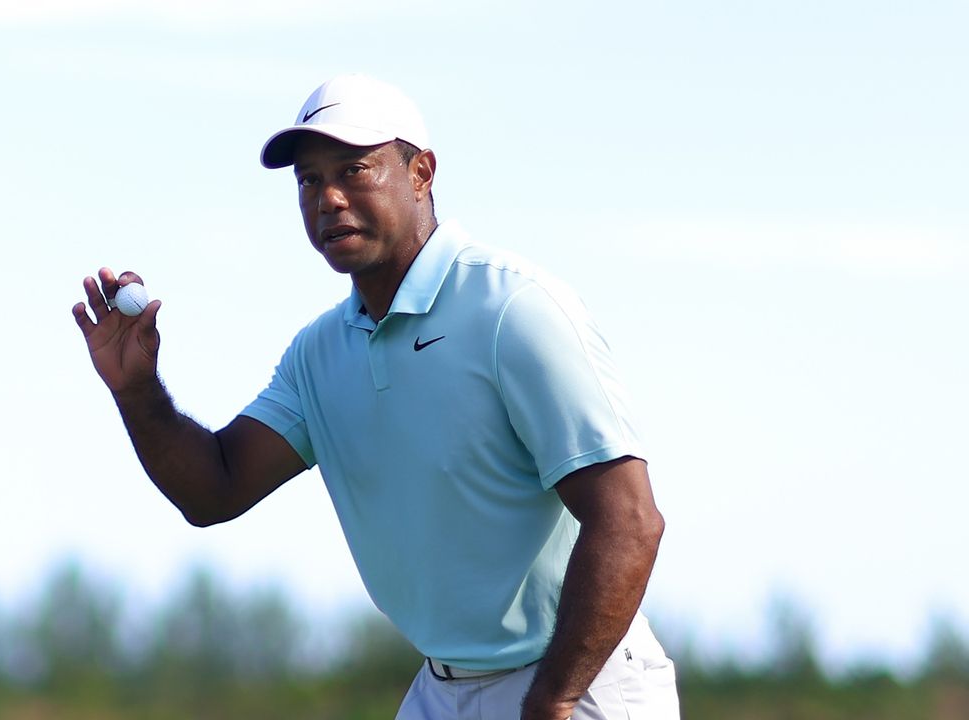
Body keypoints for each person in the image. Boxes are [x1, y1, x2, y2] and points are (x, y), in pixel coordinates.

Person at [71, 74, 680, 720]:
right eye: (308, 180)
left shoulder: (514, 310)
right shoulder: (319, 353)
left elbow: (629, 521)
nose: (328, 197)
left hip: (583, 680)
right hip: (444, 689)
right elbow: (215, 489)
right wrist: (138, 391)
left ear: (422, 173)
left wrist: (554, 697)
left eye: (354, 169)